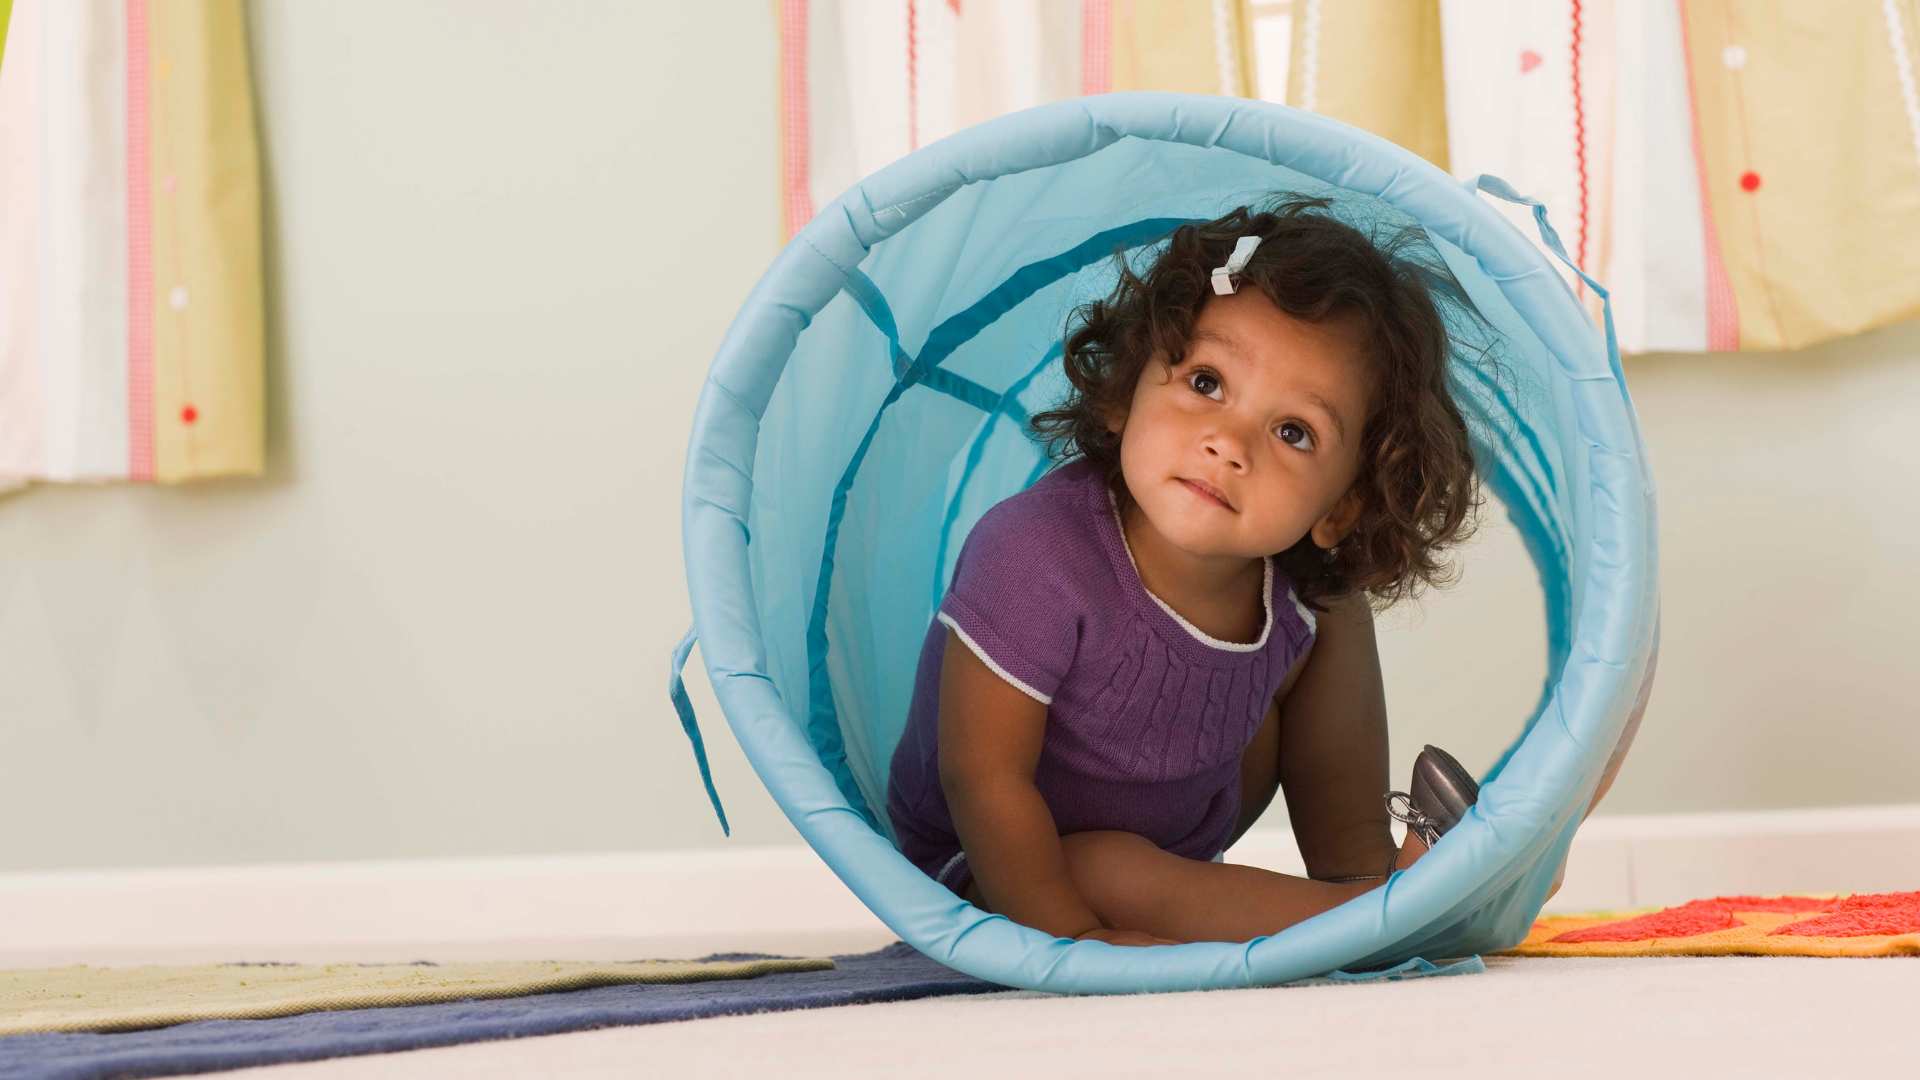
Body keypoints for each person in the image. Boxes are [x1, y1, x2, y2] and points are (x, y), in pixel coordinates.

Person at [885, 194, 1518, 947]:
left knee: (1330, 599)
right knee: (1106, 868)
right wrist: (1069, 949)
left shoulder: (1296, 583)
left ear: (1340, 507)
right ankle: (1391, 921)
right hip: (994, 864)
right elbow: (980, 781)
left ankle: (1365, 881)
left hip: (1180, 814)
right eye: (1207, 383)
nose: (1228, 441)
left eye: (1293, 431)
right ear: (1126, 388)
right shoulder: (1032, 555)